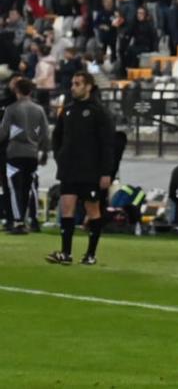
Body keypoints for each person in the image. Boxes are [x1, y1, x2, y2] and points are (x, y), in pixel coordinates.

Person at [46, 71, 116, 266]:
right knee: (66, 207)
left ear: (88, 86)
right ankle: (66, 253)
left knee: (92, 210)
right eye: (72, 84)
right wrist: (59, 155)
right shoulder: (67, 110)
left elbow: (108, 144)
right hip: (69, 169)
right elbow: (57, 136)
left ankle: (90, 254)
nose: (73, 87)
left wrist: (106, 172)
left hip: (90, 170)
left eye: (77, 84)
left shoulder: (99, 112)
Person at [0, 77, 50, 235]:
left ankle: (18, 221)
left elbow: (3, 132)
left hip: (15, 153)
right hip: (32, 153)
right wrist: (44, 152)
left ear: (17, 91)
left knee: (14, 188)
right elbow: (45, 133)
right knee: (30, 187)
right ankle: (34, 220)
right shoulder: (39, 109)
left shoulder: (12, 109)